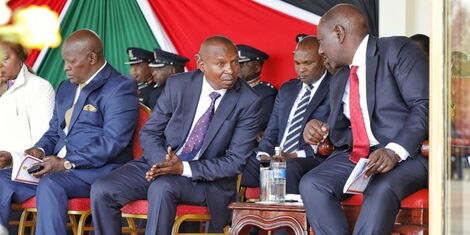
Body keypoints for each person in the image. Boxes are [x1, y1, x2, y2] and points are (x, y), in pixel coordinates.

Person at [91, 35, 262, 235]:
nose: (231, 70)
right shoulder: (179, 85)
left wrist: (182, 168)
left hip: (206, 182)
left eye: (235, 63)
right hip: (160, 164)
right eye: (221, 64)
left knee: (163, 187)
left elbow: (235, 162)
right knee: (102, 189)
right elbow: (150, 132)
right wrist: (161, 164)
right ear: (201, 63)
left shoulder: (249, 101)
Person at [300, 4, 428, 235]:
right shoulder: (339, 76)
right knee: (312, 184)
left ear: (339, 33)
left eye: (320, 40)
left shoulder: (398, 49)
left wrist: (394, 151)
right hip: (360, 157)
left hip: (407, 154)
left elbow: (424, 105)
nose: (319, 50)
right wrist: (317, 131)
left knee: (380, 188)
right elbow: (340, 131)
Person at [0, 29, 139, 235]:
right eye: (64, 61)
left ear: (92, 58)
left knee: (51, 183)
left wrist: (66, 162)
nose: (65, 68)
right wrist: (38, 150)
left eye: (71, 62)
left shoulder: (119, 87)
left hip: (97, 171)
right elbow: (54, 131)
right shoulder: (66, 87)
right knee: (3, 178)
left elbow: (113, 141)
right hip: (56, 167)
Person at [241, 36, 330, 194]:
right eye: (297, 63)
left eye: (307, 63)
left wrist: (293, 155)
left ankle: (286, 218)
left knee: (288, 167)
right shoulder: (287, 89)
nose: (300, 69)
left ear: (323, 59)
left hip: (312, 158)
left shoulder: (334, 87)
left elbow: (334, 136)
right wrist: (263, 154)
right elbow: (272, 131)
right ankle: (231, 218)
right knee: (238, 162)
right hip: (277, 155)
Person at [0, 40, 55, 228]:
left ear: (22, 58)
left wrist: (11, 158)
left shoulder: (39, 88)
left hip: (24, 172)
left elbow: (44, 143)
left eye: (5, 59)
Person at [237, 44, 277, 131]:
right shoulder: (226, 88)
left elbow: (259, 125)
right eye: (236, 63)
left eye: (243, 64)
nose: (238, 67)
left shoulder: (266, 93)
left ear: (257, 68)